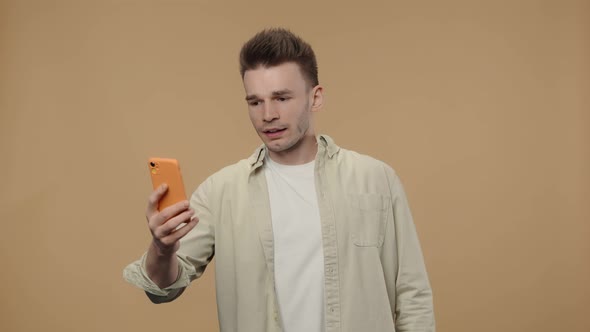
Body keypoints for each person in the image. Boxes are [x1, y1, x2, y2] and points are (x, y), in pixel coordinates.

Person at [124, 28, 435, 332]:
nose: (267, 114)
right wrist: (162, 249)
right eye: (255, 102)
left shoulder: (376, 179)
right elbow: (161, 289)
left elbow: (412, 295)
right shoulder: (221, 192)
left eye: (282, 98)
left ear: (316, 98)